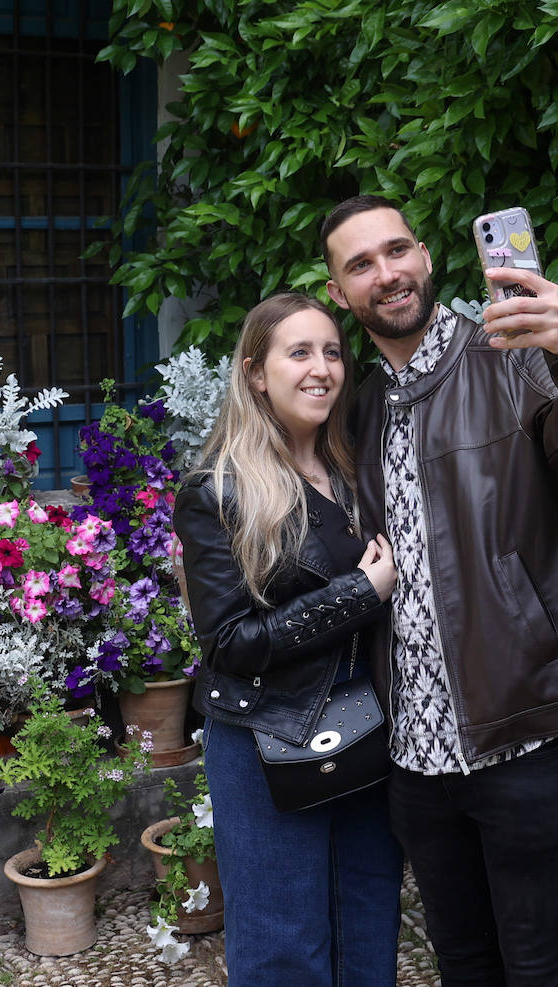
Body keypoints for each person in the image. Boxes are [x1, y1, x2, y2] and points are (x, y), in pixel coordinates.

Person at [319, 194, 558, 987]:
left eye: (397, 251)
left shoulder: (509, 356)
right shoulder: (355, 408)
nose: (386, 273)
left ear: (427, 258)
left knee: (538, 961)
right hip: (416, 755)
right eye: (361, 264)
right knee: (461, 960)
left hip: (529, 728)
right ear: (338, 292)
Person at [173, 292, 404, 987]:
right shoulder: (218, 490)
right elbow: (230, 642)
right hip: (265, 735)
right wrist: (357, 595)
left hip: (364, 724)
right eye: (299, 352)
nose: (321, 368)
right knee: (282, 947)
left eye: (332, 351)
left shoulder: (357, 471)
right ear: (256, 373)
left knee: (368, 925)